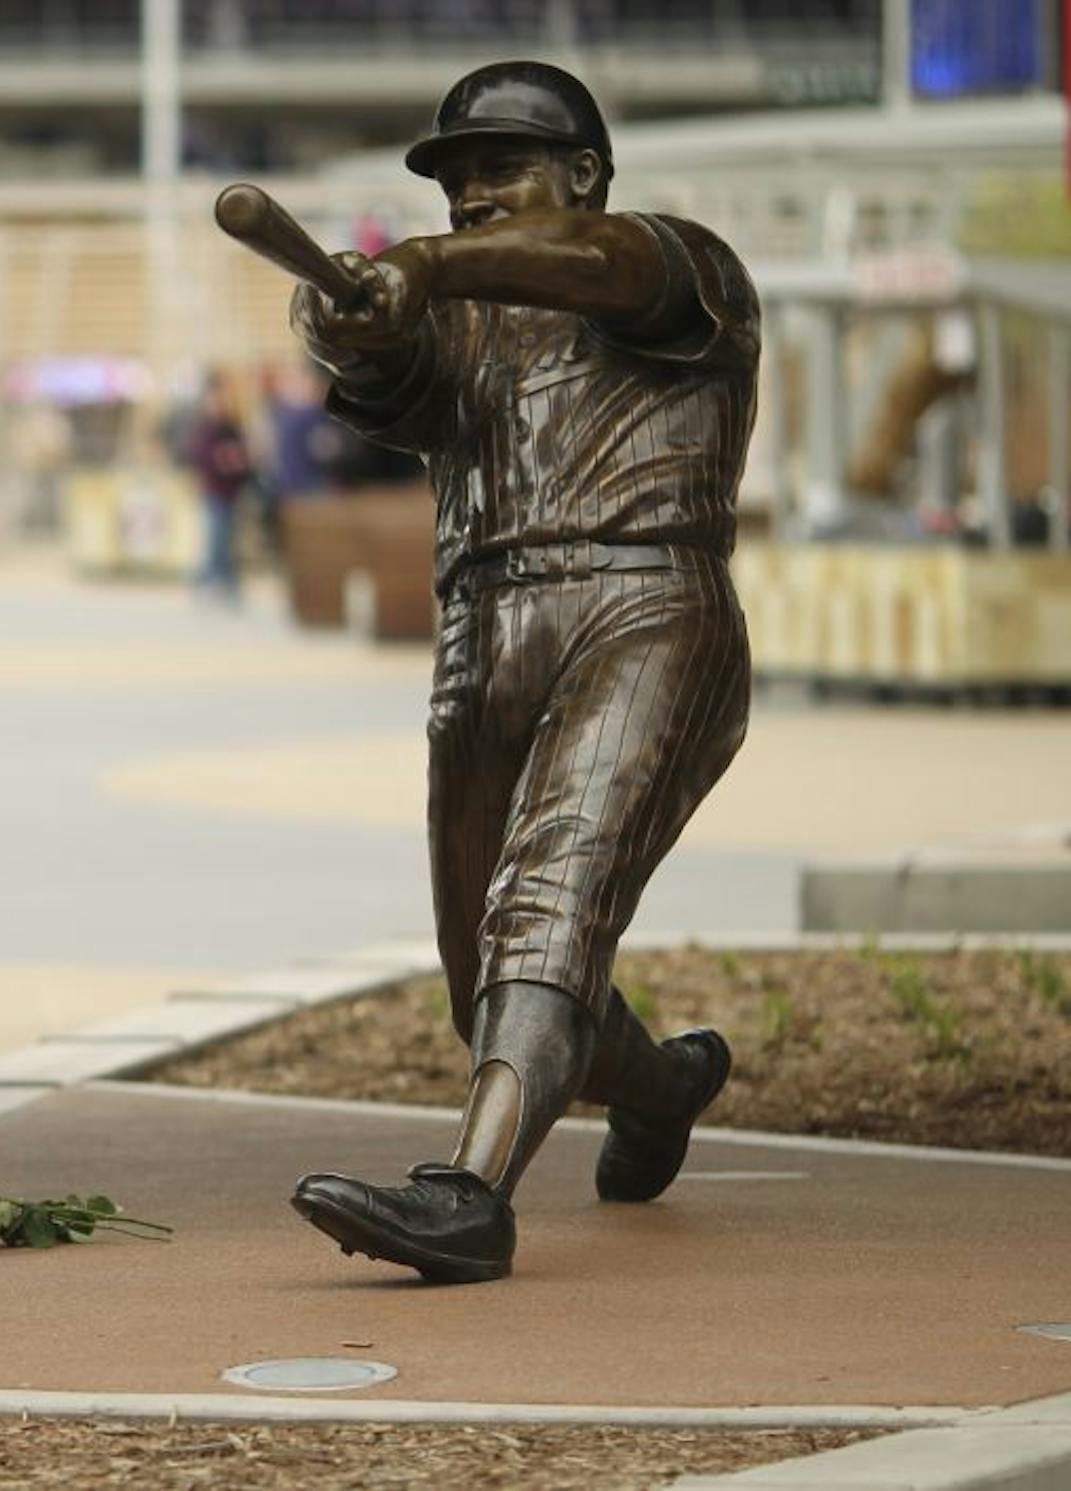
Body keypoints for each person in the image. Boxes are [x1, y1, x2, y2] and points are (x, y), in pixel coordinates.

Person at [280, 60, 758, 1283]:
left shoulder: (680, 263)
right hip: (483, 634)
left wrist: (425, 268)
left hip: (644, 604)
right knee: (485, 981)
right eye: (455, 179)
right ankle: (663, 1087)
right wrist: (350, 324)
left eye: (504, 166)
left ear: (585, 174)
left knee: (548, 903)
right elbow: (389, 384)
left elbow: (604, 271)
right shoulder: (462, 319)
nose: (474, 192)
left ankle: (470, 1198)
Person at [187, 374, 254, 602]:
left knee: (225, 539)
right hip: (214, 491)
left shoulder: (233, 427)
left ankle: (224, 580)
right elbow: (204, 458)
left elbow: (244, 459)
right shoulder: (206, 429)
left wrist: (233, 461)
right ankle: (209, 579)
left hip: (232, 491)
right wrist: (225, 459)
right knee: (216, 538)